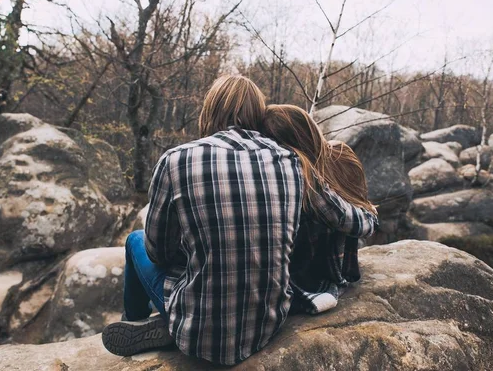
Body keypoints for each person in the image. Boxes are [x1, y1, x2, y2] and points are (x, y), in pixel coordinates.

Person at [102, 76, 378, 365]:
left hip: (197, 333)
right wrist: (369, 211)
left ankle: (135, 320)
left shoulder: (175, 160)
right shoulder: (294, 163)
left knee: (136, 240)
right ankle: (165, 322)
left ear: (209, 111)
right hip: (267, 326)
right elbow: (355, 222)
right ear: (257, 114)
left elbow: (158, 252)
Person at [261, 104, 378, 315]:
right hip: (312, 274)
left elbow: (351, 220)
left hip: (306, 274)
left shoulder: (302, 175)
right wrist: (369, 214)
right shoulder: (305, 174)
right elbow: (363, 223)